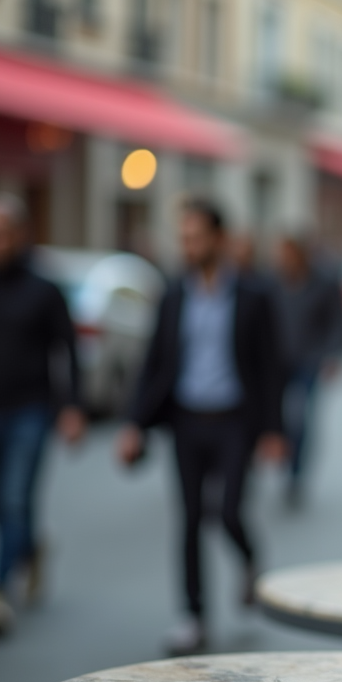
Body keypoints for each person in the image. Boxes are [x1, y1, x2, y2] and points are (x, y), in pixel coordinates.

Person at [117, 198, 285, 656]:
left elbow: (271, 366)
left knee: (228, 511)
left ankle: (249, 560)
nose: (187, 246)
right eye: (183, 238)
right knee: (190, 520)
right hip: (187, 421)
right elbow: (155, 363)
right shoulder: (173, 295)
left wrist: (274, 431)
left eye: (196, 237)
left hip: (234, 421)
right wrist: (134, 424)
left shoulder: (253, 295)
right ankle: (193, 617)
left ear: (219, 239)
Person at [0, 193, 86, 637]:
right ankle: (31, 546)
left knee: (15, 498)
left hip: (30, 411)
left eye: (0, 235)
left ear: (19, 236)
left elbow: (68, 350)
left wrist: (72, 406)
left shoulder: (44, 289)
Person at [272, 235, 342, 506]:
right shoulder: (274, 283)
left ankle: (296, 473)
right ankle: (282, 456)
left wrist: (331, 356)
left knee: (300, 417)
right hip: (278, 362)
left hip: (308, 360)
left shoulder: (322, 282)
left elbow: (337, 321)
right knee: (278, 416)